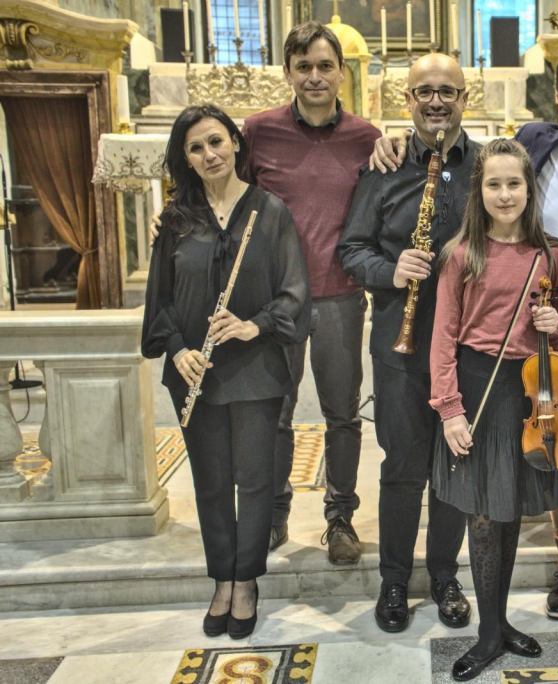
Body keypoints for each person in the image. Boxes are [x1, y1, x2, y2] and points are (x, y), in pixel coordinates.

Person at [370, 48, 558, 623]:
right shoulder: (536, 147)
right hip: (551, 345)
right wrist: (390, 139)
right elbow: (467, 151)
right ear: (557, 98)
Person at [141, 104, 311, 639]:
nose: (209, 154)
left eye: (216, 141)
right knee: (210, 482)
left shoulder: (270, 211)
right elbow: (160, 300)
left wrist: (253, 325)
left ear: (235, 142)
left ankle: (247, 579)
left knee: (256, 481)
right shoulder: (175, 220)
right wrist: (176, 350)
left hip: (255, 368)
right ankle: (222, 579)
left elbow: (294, 292)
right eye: (195, 148)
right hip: (195, 372)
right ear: (186, 159)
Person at [429, 138, 558, 681]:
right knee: (485, 514)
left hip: (531, 391)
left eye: (514, 183)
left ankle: (499, 621)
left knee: (510, 507)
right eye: (494, 184)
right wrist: (449, 409)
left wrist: (556, 326)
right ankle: (489, 633)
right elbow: (443, 338)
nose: (505, 193)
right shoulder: (461, 254)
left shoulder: (552, 254)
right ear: (480, 190)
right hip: (477, 387)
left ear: (529, 189)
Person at [339, 53, 476, 634]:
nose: (436, 101)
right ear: (408, 100)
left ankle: (444, 576)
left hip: (467, 347)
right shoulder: (383, 168)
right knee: (401, 466)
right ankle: (394, 580)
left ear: (465, 98)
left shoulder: (487, 167)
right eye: (425, 92)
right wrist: (391, 271)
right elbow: (351, 250)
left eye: (447, 91)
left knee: (455, 463)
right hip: (401, 345)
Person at [240, 22, 380, 563]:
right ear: (288, 73)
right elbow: (230, 200)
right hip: (275, 301)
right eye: (304, 67)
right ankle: (274, 513)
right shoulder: (258, 131)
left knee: (341, 413)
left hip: (341, 295)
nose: (315, 76)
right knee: (275, 412)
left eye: (325, 66)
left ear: (342, 72)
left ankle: (340, 518)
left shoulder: (366, 138)